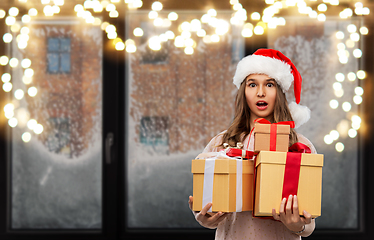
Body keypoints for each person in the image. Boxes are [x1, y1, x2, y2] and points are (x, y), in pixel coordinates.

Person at [189, 48, 317, 239]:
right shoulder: (220, 142)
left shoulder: (300, 146)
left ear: (280, 92)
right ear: (243, 92)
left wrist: (298, 225)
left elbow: (309, 225)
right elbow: (204, 203)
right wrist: (203, 218)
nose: (260, 93)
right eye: (252, 84)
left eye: (269, 84)